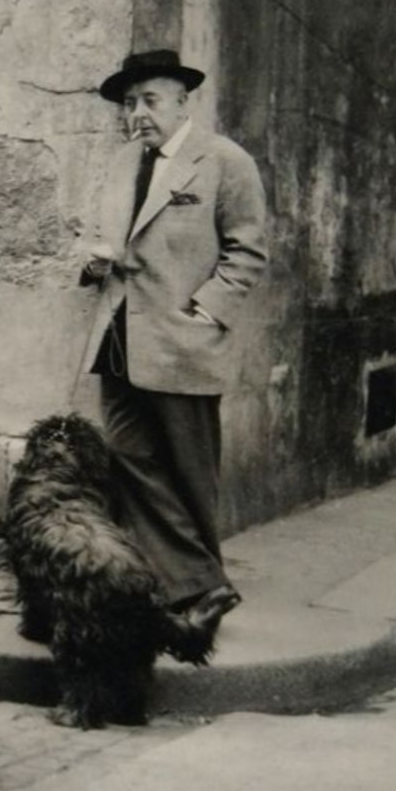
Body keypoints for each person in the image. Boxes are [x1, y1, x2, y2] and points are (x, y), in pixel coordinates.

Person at [77, 50, 269, 656]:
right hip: (119, 337)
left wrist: (204, 311)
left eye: (150, 100)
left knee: (189, 470)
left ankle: (195, 592)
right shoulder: (119, 165)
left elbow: (248, 252)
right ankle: (198, 585)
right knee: (128, 456)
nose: (137, 114)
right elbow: (112, 241)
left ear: (184, 101)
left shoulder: (225, 162)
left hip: (183, 342)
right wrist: (92, 262)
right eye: (129, 103)